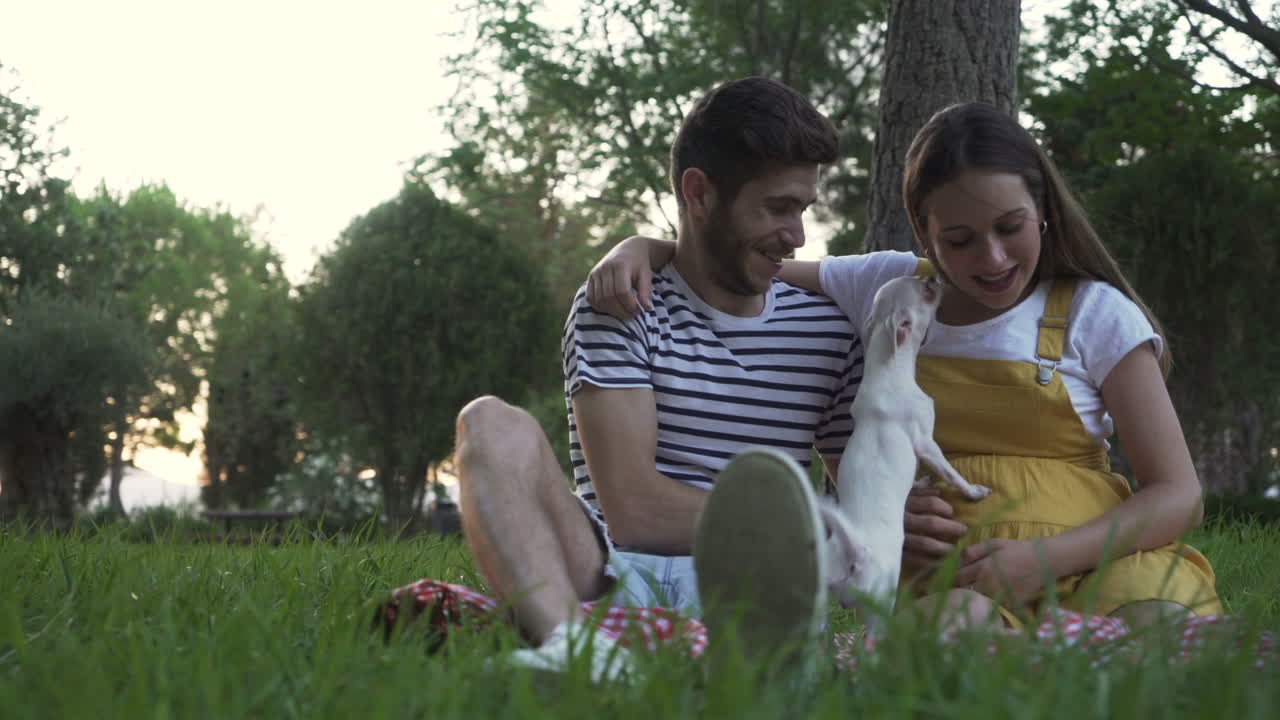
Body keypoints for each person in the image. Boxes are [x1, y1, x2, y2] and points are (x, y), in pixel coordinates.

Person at [587, 101, 1222, 632]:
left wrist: (1047, 558)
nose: (992, 258)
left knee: (1159, 639)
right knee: (959, 648)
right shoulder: (888, 284)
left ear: (1043, 210)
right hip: (953, 577)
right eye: (959, 240)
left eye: (1011, 227)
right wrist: (642, 245)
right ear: (924, 233)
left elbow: (1179, 493)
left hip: (1098, 556)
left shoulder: (1093, 312)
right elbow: (747, 261)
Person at [446, 76, 864, 683]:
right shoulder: (621, 302)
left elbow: (863, 504)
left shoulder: (829, 331)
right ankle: (573, 651)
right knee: (487, 420)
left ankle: (748, 667)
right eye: (777, 208)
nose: (796, 233)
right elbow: (634, 512)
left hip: (755, 592)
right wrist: (797, 530)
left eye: (801, 209)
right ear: (699, 193)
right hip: (613, 574)